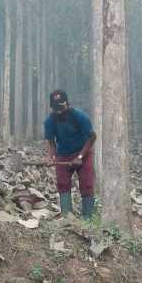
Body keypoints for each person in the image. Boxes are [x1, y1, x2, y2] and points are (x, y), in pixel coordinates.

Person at [43, 90, 97, 219]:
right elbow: (51, 141)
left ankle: (88, 217)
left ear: (67, 104)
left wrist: (79, 157)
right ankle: (67, 215)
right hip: (63, 154)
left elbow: (92, 137)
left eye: (61, 107)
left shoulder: (80, 117)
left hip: (83, 152)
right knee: (62, 184)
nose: (59, 111)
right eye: (56, 108)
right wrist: (52, 157)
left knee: (87, 184)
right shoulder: (50, 121)